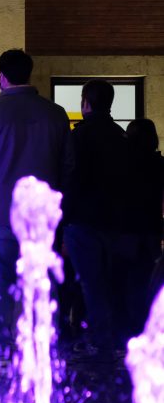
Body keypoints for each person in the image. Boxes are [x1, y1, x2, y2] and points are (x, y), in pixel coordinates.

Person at [0, 49, 73, 357]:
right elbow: (68, 166)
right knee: (42, 281)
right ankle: (42, 348)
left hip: (0, 212)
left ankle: (2, 345)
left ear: (2, 76)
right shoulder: (54, 113)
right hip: (42, 215)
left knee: (0, 280)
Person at [61, 79, 128, 356]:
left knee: (89, 282)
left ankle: (98, 340)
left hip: (84, 220)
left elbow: (72, 179)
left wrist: (64, 217)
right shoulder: (121, 135)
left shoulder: (80, 136)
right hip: (116, 220)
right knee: (110, 282)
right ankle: (112, 336)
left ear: (85, 102)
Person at [118, 119, 164, 341]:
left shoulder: (124, 164)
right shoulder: (159, 164)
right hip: (152, 227)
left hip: (127, 227)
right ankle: (149, 325)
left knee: (128, 278)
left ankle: (130, 327)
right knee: (152, 278)